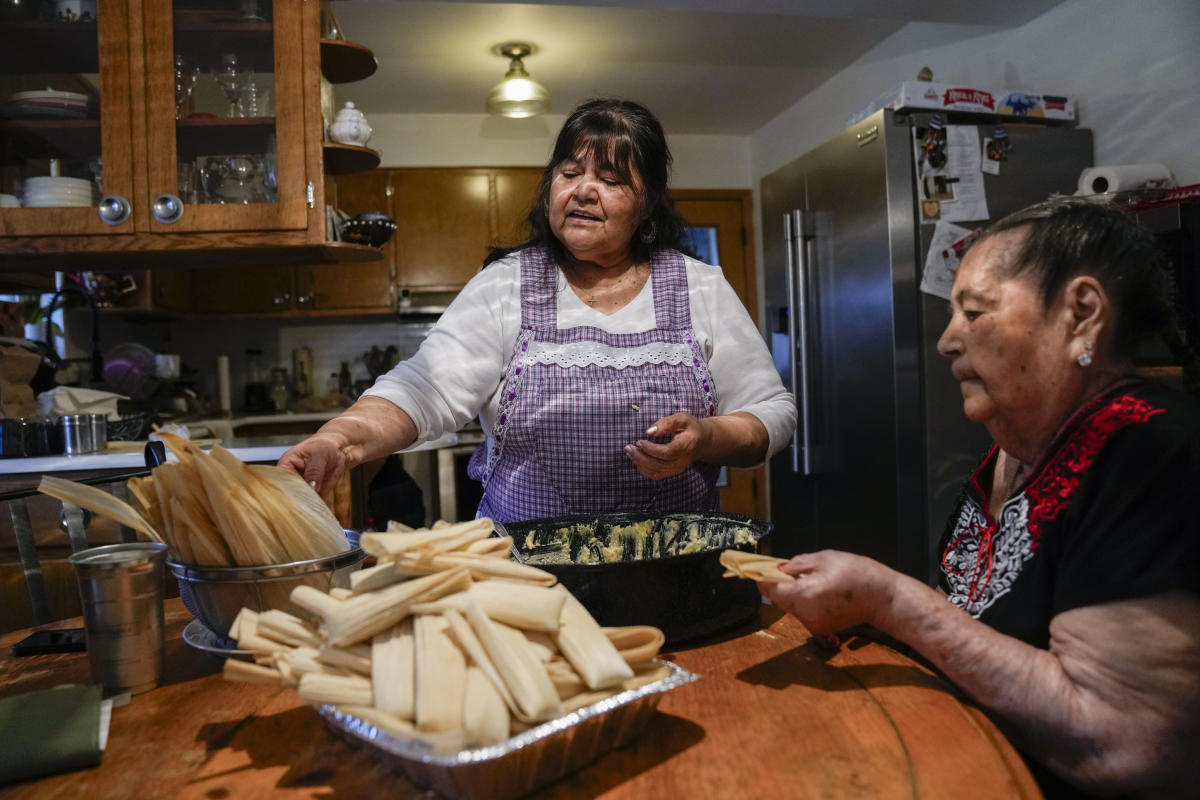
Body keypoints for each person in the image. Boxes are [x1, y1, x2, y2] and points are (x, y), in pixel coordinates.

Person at [762, 197, 1200, 798]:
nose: (946, 342)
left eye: (973, 312)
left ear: (1081, 313)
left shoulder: (1149, 448)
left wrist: (891, 601)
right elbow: (973, 621)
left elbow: (1125, 743)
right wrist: (860, 610)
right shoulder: (1012, 451)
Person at [280, 98, 795, 523]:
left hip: (673, 575)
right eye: (569, 172)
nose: (582, 191)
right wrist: (339, 440)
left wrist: (708, 437)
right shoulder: (505, 286)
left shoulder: (698, 286)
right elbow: (423, 389)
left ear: (647, 204)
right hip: (528, 583)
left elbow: (771, 414)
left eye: (611, 180)